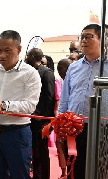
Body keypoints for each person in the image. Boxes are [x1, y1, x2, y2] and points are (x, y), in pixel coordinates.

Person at [0, 30, 41, 179]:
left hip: (17, 134)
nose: (1, 55)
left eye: (7, 51)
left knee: (19, 175)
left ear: (19, 49)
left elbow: (30, 106)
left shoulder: (30, 74)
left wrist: (4, 105)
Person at [59, 24, 103, 179]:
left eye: (88, 36)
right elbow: (65, 98)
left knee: (100, 169)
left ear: (102, 39)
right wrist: (60, 123)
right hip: (75, 128)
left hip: (102, 128)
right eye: (81, 37)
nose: (83, 40)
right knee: (76, 170)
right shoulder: (74, 68)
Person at [26, 48, 55, 179]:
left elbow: (50, 97)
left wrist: (47, 121)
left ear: (32, 57)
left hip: (41, 119)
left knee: (42, 152)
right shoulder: (31, 71)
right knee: (34, 151)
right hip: (31, 118)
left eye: (27, 56)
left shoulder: (47, 73)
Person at [55, 58, 72, 178]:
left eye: (61, 72)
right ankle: (64, 172)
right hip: (63, 119)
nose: (61, 75)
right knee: (60, 145)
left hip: (75, 121)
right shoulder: (61, 81)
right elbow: (62, 101)